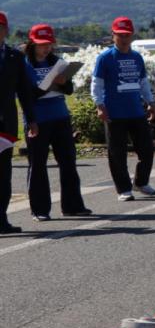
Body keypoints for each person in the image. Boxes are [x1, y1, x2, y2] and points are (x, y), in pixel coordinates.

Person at [23, 24, 89, 220]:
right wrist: (47, 85)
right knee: (38, 165)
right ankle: (40, 209)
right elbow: (27, 94)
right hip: (38, 119)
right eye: (42, 44)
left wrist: (63, 82)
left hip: (60, 116)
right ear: (32, 43)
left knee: (68, 162)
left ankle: (72, 205)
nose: (46, 48)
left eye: (49, 44)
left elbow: (68, 90)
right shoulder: (24, 65)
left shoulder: (57, 61)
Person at [92, 16, 155, 200]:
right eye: (120, 35)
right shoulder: (105, 58)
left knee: (147, 149)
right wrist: (99, 105)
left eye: (127, 35)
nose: (124, 38)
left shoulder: (136, 57)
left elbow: (143, 82)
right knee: (117, 153)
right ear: (113, 35)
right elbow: (97, 84)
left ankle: (141, 182)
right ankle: (123, 189)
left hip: (136, 111)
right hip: (114, 113)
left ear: (132, 35)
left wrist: (150, 102)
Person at [0, 11, 37, 233]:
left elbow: (24, 90)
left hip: (6, 123)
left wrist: (31, 118)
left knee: (4, 172)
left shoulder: (15, 57)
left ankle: (1, 219)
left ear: (6, 30)